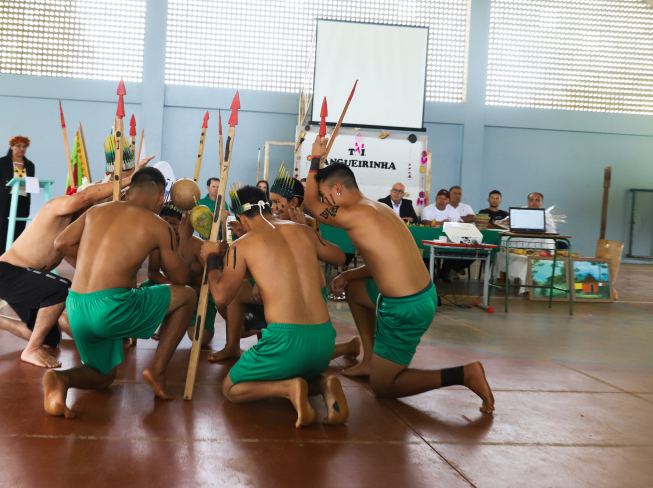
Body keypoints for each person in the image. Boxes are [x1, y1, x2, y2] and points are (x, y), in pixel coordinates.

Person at [304, 139, 494, 414]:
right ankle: (370, 359)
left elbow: (310, 204)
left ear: (337, 188)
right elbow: (382, 263)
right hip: (418, 293)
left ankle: (464, 374)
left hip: (407, 306)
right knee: (354, 289)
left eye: (326, 195)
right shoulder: (376, 208)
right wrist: (350, 275)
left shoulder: (355, 214)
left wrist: (315, 158)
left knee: (384, 386)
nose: (324, 201)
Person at [43, 167, 198, 417]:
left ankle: (60, 379)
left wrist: (94, 266)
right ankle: (157, 370)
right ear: (161, 197)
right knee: (188, 295)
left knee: (104, 376)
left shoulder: (95, 211)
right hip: (110, 308)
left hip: (76, 306)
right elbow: (181, 279)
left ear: (128, 193)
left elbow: (61, 243)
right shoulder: (159, 225)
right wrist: (185, 237)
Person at [0, 155, 154, 368]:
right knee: (61, 288)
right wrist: (129, 180)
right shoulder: (57, 206)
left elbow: (82, 266)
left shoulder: (71, 231)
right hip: (10, 274)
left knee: (50, 339)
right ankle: (31, 349)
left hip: (24, 280)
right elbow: (85, 196)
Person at [202, 186, 350, 428]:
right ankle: (324, 385)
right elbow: (340, 257)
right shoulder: (304, 231)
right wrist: (311, 231)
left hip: (286, 342)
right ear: (268, 207)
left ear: (241, 218)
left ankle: (289, 389)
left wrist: (210, 258)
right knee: (295, 369)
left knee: (231, 388)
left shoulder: (242, 245)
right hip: (324, 341)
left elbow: (220, 297)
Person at [146, 204, 214, 347]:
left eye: (173, 223)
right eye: (165, 223)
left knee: (200, 339)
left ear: (183, 225)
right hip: (173, 288)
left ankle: (184, 321)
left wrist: (190, 285)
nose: (170, 227)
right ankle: (164, 323)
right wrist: (169, 283)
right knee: (146, 288)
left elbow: (212, 277)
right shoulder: (157, 244)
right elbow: (152, 272)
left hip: (199, 293)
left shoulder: (198, 245)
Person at [0, 135, 35, 257]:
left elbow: (31, 183)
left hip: (23, 200)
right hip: (5, 200)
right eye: (18, 146)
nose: (21, 149)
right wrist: (3, 192)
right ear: (12, 147)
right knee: (4, 229)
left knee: (19, 230)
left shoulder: (30, 165)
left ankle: (16, 256)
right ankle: (2, 257)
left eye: (24, 146)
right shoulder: (2, 162)